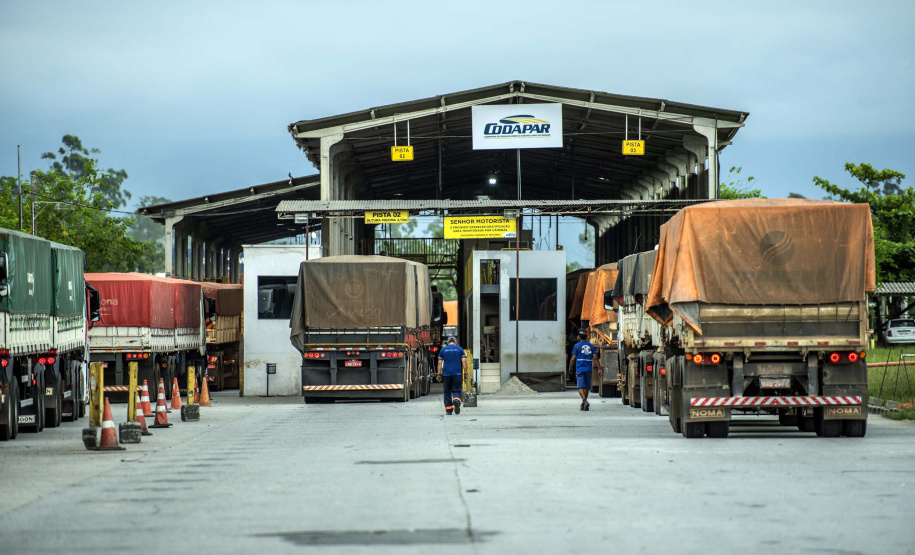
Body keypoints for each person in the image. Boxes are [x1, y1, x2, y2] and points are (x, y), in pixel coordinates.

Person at [437, 336, 467, 415]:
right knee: (457, 389)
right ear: (456, 342)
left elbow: (440, 362)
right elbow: (464, 361)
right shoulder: (460, 349)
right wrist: (466, 372)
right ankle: (456, 400)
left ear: (447, 342)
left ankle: (449, 410)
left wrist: (439, 373)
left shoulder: (443, 350)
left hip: (446, 374)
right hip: (457, 373)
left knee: (447, 391)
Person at [569, 329, 596, 411]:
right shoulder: (591, 346)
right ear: (587, 336)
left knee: (580, 387)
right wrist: (599, 368)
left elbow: (573, 358)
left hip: (580, 368)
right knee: (586, 387)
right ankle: (584, 403)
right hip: (588, 368)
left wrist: (570, 367)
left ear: (579, 337)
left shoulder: (576, 346)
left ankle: (584, 400)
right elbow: (595, 357)